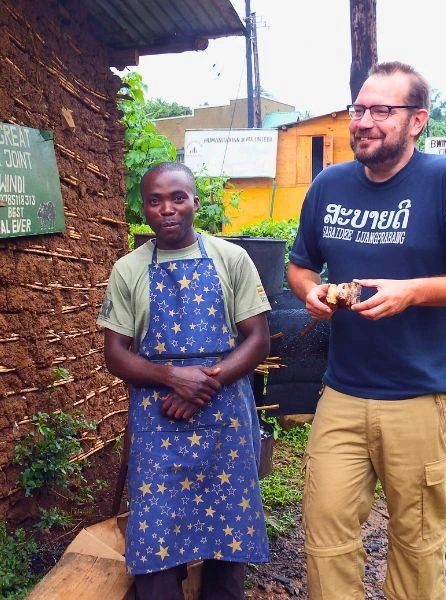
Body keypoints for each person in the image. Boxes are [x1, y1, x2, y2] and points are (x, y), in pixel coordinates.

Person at [287, 61, 446, 600]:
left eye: (382, 111)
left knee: (415, 540)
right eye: (358, 109)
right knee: (325, 532)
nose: (364, 121)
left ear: (417, 121)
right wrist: (309, 293)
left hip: (419, 393)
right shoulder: (330, 185)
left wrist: (412, 291)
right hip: (342, 390)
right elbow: (300, 265)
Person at [98, 162, 271, 600]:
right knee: (156, 534)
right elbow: (115, 353)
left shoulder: (231, 259)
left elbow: (257, 339)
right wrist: (173, 377)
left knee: (226, 534)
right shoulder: (129, 269)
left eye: (178, 198)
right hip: (159, 421)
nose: (167, 209)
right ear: (144, 209)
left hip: (225, 421)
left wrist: (202, 386)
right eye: (154, 201)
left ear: (195, 202)